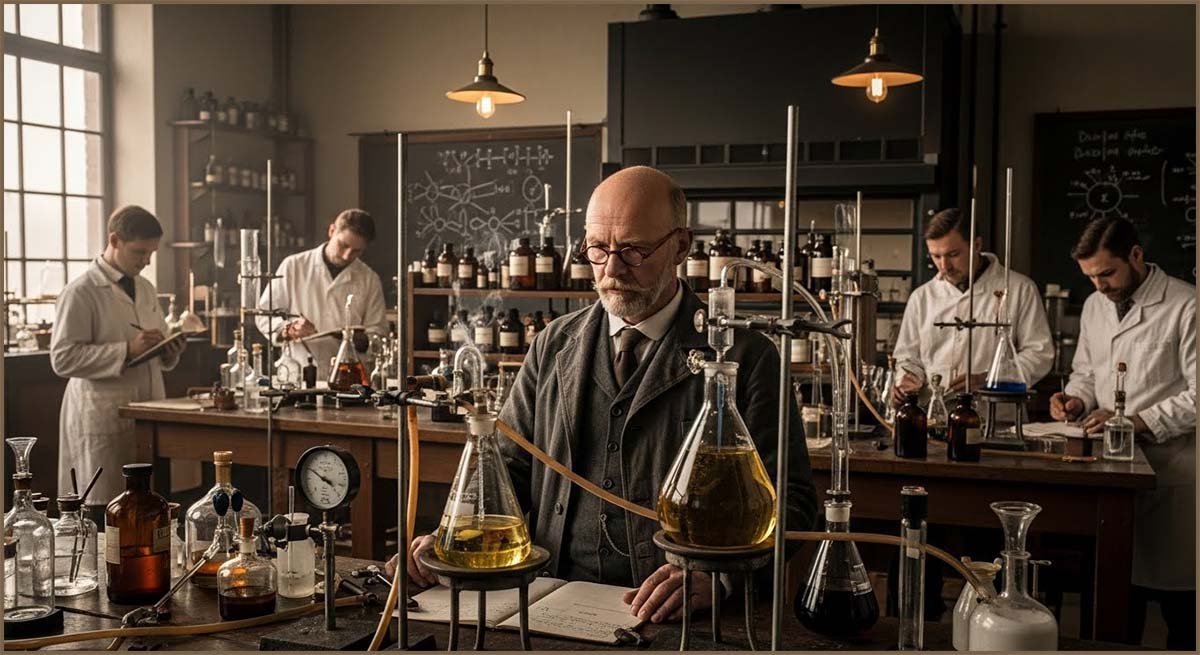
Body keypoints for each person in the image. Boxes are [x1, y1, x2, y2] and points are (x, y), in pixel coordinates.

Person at [388, 166, 818, 624]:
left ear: (681, 245)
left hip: (676, 618)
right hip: (551, 601)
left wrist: (721, 577)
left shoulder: (745, 355)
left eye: (633, 250)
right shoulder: (553, 345)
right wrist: (451, 535)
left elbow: (792, 500)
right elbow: (508, 467)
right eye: (597, 249)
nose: (611, 270)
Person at [1049, 217, 1195, 650]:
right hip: (1111, 474)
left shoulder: (1187, 306)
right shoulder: (1096, 306)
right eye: (1090, 277)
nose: (1099, 286)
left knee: (1183, 617)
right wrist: (1075, 398)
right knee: (1115, 606)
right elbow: (1087, 372)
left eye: (1107, 273)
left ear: (1135, 256)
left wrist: (1139, 421)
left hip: (1175, 471)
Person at [51, 205, 186, 509]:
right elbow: (62, 358)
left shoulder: (146, 288)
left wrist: (167, 351)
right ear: (114, 240)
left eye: (151, 253)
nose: (146, 261)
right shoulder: (81, 292)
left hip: (148, 408)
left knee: (148, 507)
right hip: (102, 413)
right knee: (106, 509)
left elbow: (154, 339)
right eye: (140, 252)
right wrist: (126, 350)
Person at [892, 208, 1053, 402]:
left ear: (976, 245)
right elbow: (907, 357)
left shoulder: (1020, 288)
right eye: (935, 256)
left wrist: (991, 379)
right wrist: (908, 379)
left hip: (995, 415)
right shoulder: (922, 297)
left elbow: (1039, 354)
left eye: (953, 254)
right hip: (935, 415)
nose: (944, 266)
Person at [255, 209, 390, 380]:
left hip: (348, 377)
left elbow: (378, 331)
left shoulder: (369, 279)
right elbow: (264, 315)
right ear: (332, 230)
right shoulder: (293, 266)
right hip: (298, 372)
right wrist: (289, 328)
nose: (347, 255)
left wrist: (362, 340)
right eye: (343, 245)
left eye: (357, 251)